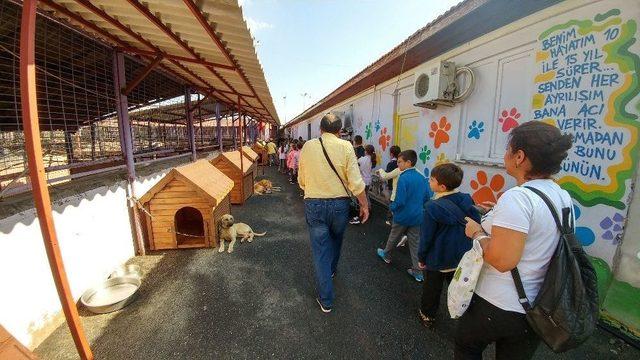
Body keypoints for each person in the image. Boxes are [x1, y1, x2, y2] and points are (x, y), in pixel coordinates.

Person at [455, 121, 574, 360]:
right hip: (535, 307)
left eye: (509, 149)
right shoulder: (560, 195)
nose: (506, 154)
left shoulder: (518, 198)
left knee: (466, 348)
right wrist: (499, 212)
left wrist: (477, 232)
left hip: (497, 303)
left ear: (519, 156)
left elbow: (502, 260)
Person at [298, 113, 369, 313]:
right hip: (340, 205)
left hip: (314, 204)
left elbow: (302, 179)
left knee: (320, 250)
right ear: (340, 131)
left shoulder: (308, 146)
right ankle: (331, 270)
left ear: (320, 130)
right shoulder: (346, 147)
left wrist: (310, 187)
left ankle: (326, 300)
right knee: (337, 238)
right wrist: (364, 205)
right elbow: (355, 181)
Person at [417, 163, 481, 327]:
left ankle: (428, 316)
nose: (429, 181)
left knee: (432, 289)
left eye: (431, 180)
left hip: (438, 257)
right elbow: (476, 222)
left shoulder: (432, 207)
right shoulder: (467, 198)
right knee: (460, 287)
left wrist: (422, 257)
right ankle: (463, 316)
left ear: (442, 186)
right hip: (461, 255)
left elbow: (426, 237)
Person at [376, 150, 431, 282]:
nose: (398, 164)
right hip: (417, 216)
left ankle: (386, 254)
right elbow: (427, 197)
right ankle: (418, 272)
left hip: (402, 216)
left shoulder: (403, 178)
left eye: (400, 162)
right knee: (415, 243)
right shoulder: (421, 177)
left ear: (408, 162)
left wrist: (392, 207)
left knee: (394, 236)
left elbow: (400, 201)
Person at [350, 144, 376, 225]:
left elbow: (354, 164)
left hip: (363, 181)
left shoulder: (362, 159)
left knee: (361, 198)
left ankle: (360, 216)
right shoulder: (372, 159)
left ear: (366, 151)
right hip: (368, 180)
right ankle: (368, 209)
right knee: (366, 195)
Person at [377, 145, 401, 225]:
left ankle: (391, 219)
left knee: (391, 203)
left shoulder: (391, 164)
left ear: (391, 154)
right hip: (399, 187)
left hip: (391, 186)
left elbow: (387, 176)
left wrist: (381, 171)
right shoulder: (400, 164)